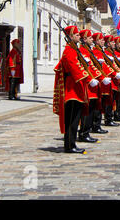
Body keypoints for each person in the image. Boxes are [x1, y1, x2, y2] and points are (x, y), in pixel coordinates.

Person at [53, 26, 93, 154]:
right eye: (76, 35)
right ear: (70, 37)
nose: (79, 37)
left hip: (77, 88)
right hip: (72, 90)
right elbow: (74, 67)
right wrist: (88, 78)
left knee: (75, 119)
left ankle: (71, 144)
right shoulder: (69, 51)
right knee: (71, 120)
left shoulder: (75, 50)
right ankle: (70, 145)